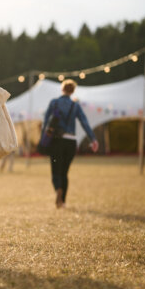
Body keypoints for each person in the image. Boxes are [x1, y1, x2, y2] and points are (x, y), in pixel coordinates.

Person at [42, 79, 99, 208]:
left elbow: (46, 122)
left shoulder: (54, 103)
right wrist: (93, 139)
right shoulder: (75, 105)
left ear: (62, 89)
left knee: (55, 171)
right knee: (64, 173)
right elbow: (84, 122)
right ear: (73, 91)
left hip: (56, 141)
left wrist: (43, 140)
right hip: (71, 142)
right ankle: (63, 202)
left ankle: (58, 190)